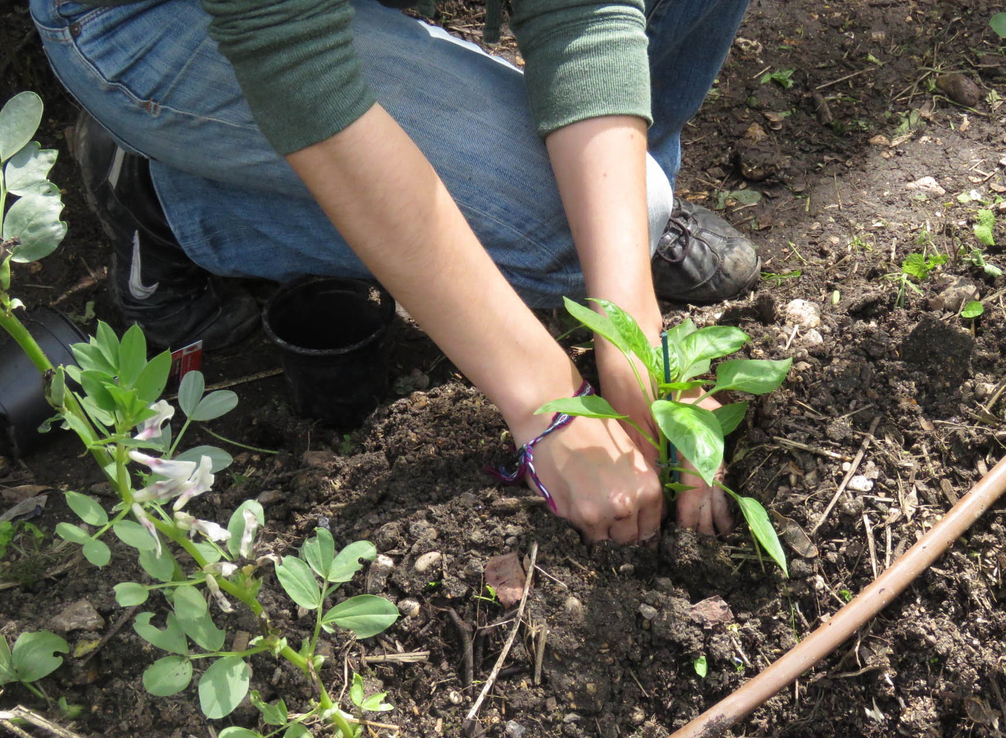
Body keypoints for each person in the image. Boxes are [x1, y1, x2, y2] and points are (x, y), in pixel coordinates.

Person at [29, 0, 758, 544]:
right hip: (155, 17)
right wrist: (547, 403)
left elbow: (583, 9)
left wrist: (630, 327)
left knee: (621, 215)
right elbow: (295, 61)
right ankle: (164, 193)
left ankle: (589, 192)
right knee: (580, 232)